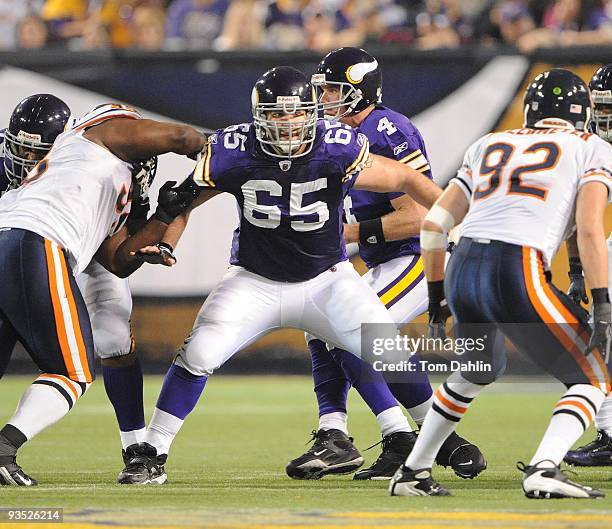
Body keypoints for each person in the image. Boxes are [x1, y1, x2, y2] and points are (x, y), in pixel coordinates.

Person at [116, 65, 442, 485]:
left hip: (328, 279)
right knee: (198, 354)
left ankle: (434, 447)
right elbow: (184, 201)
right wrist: (166, 244)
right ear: (259, 116)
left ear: (311, 113)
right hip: (254, 281)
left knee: (390, 350)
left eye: (296, 114)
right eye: (276, 114)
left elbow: (402, 176)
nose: (287, 124)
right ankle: (151, 455)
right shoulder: (232, 148)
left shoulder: (337, 144)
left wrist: (451, 210)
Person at [389, 68, 611, 499]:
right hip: (516, 266)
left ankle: (414, 471)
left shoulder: (491, 142)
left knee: (476, 371)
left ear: (530, 109)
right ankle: (545, 468)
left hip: (463, 264)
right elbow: (587, 230)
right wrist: (601, 302)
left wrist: (437, 300)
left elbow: (435, 224)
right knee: (595, 373)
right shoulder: (592, 147)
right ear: (582, 113)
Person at [285, 47, 485, 482]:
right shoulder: (333, 134)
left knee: (350, 328)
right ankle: (334, 432)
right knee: (319, 325)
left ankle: (426, 440)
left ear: (360, 91)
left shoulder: (385, 128)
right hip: (385, 260)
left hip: (419, 254)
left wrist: (353, 234)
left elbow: (418, 216)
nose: (325, 100)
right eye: (322, 91)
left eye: (334, 91)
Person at [0, 101, 205, 486]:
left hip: (35, 243)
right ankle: (4, 449)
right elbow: (180, 136)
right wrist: (220, 154)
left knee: (111, 334)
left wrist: (162, 217)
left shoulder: (107, 176)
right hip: (41, 243)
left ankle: (135, 451)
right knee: (72, 371)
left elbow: (118, 261)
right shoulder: (103, 134)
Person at [564, 63, 612, 467]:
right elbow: (577, 219)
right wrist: (577, 271)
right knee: (600, 336)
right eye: (599, 108)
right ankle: (611, 433)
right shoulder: (590, 147)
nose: (604, 118)